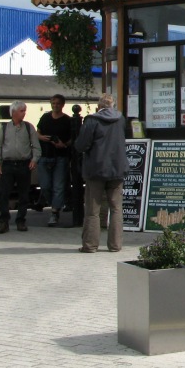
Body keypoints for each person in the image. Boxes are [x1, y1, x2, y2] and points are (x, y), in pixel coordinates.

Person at [75, 94, 128, 253]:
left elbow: (81, 144)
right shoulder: (121, 119)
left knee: (93, 209)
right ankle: (115, 245)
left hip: (96, 169)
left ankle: (90, 245)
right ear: (112, 105)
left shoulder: (92, 120)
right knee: (116, 208)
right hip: (117, 169)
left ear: (99, 106)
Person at [0, 100, 42, 233]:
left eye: (25, 110)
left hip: (23, 164)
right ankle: (3, 221)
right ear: (14, 112)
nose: (24, 113)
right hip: (8, 164)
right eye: (22, 111)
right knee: (3, 193)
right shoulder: (4, 128)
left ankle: (21, 220)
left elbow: (36, 146)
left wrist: (34, 159)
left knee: (24, 194)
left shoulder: (28, 127)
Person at [35, 93, 72, 227]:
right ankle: (54, 204)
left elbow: (73, 138)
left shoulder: (67, 120)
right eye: (53, 103)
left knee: (59, 186)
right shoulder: (45, 117)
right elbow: (37, 132)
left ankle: (55, 211)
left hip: (60, 156)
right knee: (45, 186)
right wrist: (42, 138)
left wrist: (64, 144)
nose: (55, 106)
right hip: (44, 155)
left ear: (62, 105)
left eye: (58, 103)